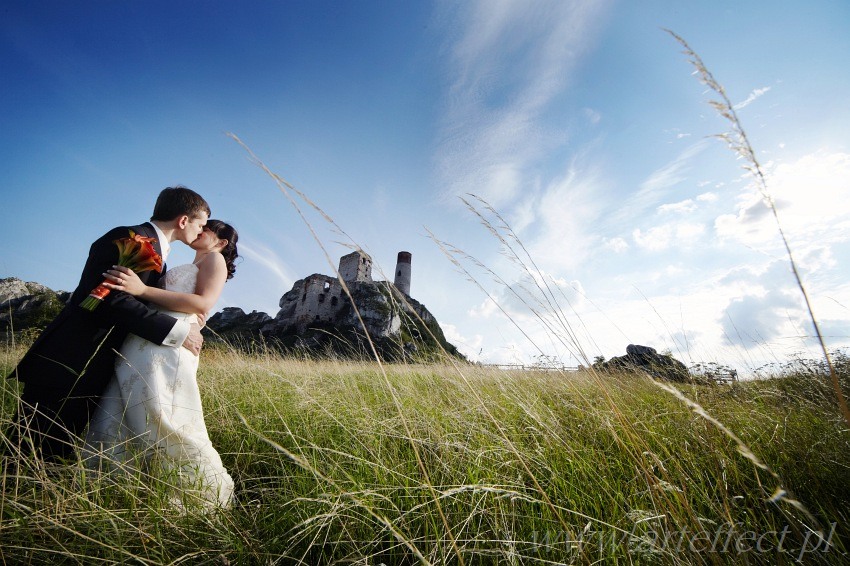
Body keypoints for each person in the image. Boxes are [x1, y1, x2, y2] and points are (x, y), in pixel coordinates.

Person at [7, 187, 209, 461]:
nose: (202, 231)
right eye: (201, 223)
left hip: (96, 362)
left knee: (58, 448)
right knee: (28, 446)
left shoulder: (159, 253)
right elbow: (110, 300)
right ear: (183, 220)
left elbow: (136, 298)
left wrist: (187, 314)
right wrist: (176, 331)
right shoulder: (129, 238)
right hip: (72, 356)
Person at [84, 220, 239, 508]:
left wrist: (140, 290)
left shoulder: (215, 259)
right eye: (201, 224)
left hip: (172, 343)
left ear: (221, 243)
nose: (201, 230)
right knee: (121, 405)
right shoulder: (183, 263)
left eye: (209, 228)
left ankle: (196, 492)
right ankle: (118, 489)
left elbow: (203, 303)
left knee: (163, 412)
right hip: (148, 337)